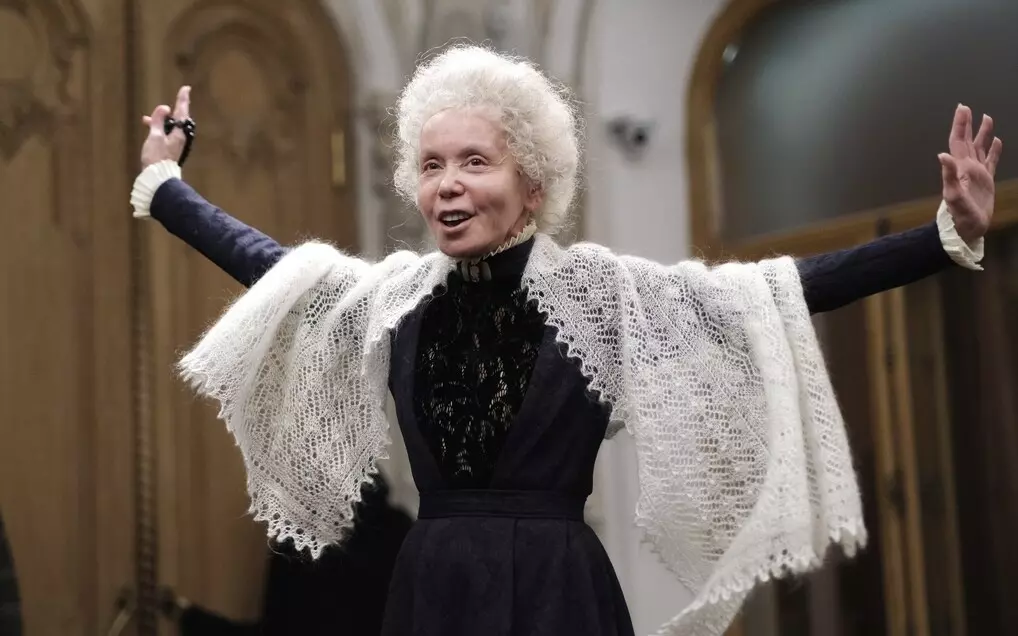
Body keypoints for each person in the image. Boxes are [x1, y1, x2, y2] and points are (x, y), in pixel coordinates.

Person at [130, 45, 1002, 636]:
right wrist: (165, 183)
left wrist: (942, 236)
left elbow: (783, 289)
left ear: (534, 186)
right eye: (431, 166)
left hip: (558, 592)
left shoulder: (602, 295)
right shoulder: (393, 297)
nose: (448, 186)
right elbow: (269, 266)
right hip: (430, 589)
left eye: (475, 162)